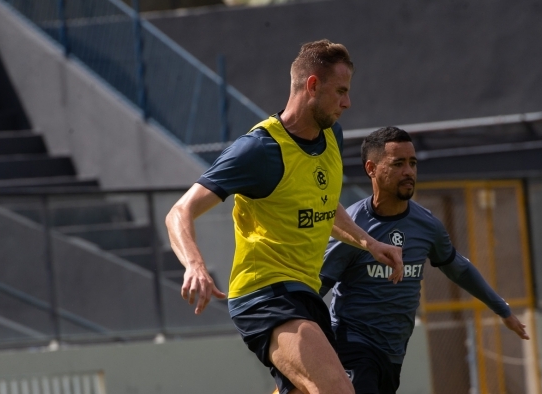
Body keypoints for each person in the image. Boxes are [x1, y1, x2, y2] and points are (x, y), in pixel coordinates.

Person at [164, 40, 404, 394]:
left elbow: (323, 206)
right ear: (311, 86)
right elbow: (179, 211)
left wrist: (369, 243)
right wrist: (195, 265)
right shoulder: (259, 150)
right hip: (265, 295)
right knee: (337, 390)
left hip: (305, 293)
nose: (347, 103)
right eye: (340, 91)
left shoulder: (330, 136)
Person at [320, 126, 529, 394]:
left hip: (393, 353)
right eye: (398, 163)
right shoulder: (353, 227)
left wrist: (502, 309)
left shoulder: (427, 225)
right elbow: (318, 285)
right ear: (371, 169)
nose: (409, 171)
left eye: (412, 163)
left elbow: (459, 270)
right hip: (352, 345)